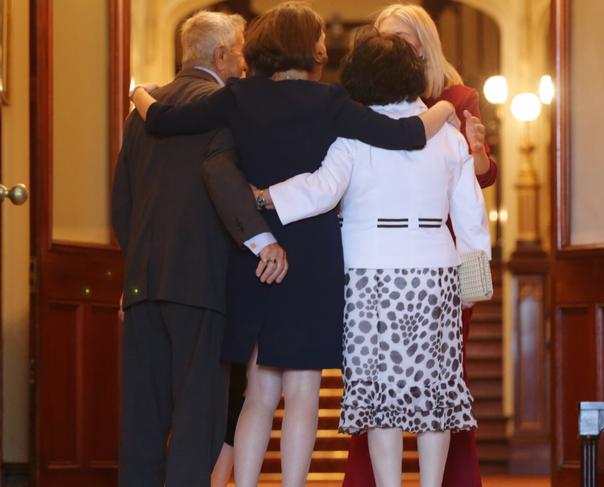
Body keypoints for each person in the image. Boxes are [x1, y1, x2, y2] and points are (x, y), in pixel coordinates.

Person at [130, 3, 460, 485]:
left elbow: (160, 119)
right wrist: (448, 106)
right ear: (312, 46)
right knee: (303, 390)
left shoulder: (238, 96)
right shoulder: (329, 101)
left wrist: (137, 89)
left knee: (259, 390)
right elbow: (405, 135)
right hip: (312, 252)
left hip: (252, 251)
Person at [260, 28, 491, 487]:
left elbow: (320, 192)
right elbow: (470, 217)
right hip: (434, 272)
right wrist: (473, 277)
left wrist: (264, 197)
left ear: (362, 78)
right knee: (435, 394)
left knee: (379, 393)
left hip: (370, 275)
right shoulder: (448, 137)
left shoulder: (354, 138)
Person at [112, 11, 287, 487]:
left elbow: (122, 201)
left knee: (142, 422)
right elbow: (222, 176)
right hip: (201, 284)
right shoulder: (224, 105)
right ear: (222, 54)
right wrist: (261, 239)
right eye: (241, 55)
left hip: (143, 285)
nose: (246, 67)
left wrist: (136, 270)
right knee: (197, 420)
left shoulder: (142, 111)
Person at [340, 5, 498, 486]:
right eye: (384, 37)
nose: (392, 46)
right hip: (378, 261)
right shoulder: (365, 99)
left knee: (444, 383)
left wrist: (475, 147)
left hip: (440, 261)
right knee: (376, 382)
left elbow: (483, 178)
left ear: (424, 42)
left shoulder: (458, 95)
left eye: (402, 39)